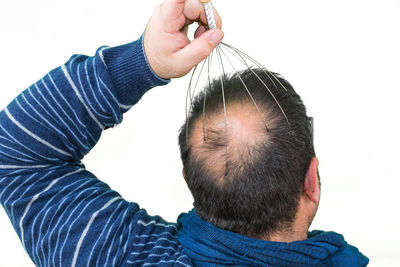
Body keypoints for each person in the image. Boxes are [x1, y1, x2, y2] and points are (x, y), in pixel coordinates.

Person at [0, 0, 368, 266]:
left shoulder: (123, 256)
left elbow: (14, 154)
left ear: (189, 179)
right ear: (311, 182)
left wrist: (143, 61)